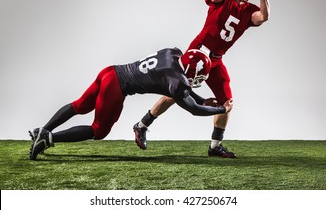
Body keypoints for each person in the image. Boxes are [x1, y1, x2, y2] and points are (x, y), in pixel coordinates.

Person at [133, 0, 272, 158]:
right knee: (177, 92)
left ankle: (215, 146)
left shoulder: (249, 11)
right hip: (198, 51)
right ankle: (142, 125)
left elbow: (264, 16)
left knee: (227, 101)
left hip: (216, 59)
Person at [29, 47, 233, 160]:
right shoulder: (177, 82)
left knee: (79, 106)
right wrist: (220, 109)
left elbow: (183, 92)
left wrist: (201, 99)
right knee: (99, 131)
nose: (199, 80)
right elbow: (194, 109)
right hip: (116, 88)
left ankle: (43, 130)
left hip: (110, 72)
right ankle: (48, 137)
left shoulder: (174, 53)